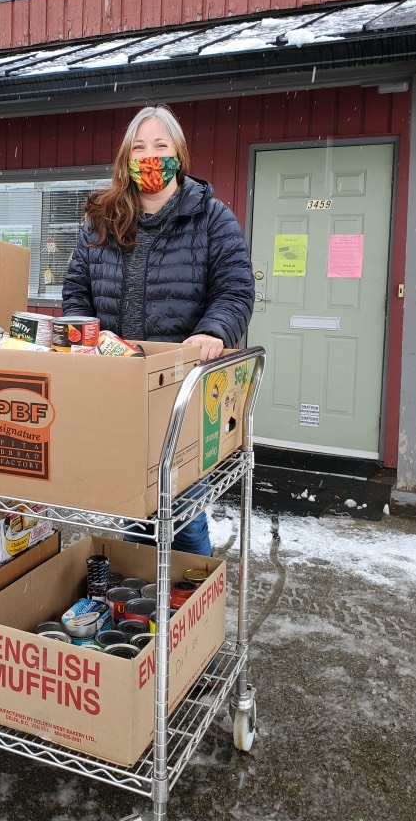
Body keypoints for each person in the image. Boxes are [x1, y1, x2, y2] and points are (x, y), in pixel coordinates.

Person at [61, 104, 255, 555]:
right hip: (117, 384)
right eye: (139, 147)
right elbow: (76, 291)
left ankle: (189, 594)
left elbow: (235, 289)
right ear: (126, 157)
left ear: (178, 154)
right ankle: (142, 588)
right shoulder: (101, 219)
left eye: (160, 146)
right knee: (135, 503)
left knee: (181, 509)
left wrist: (214, 331)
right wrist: (84, 335)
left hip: (179, 387)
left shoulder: (212, 218)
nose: (150, 157)